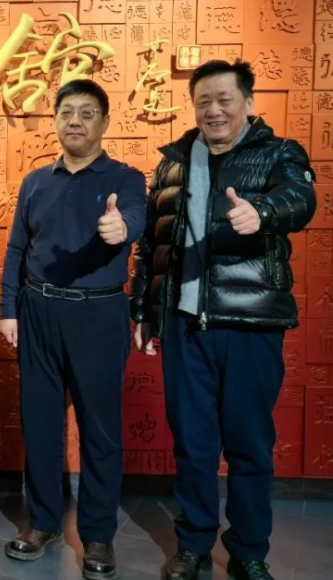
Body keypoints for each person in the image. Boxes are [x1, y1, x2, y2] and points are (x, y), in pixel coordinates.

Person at [131, 60, 315, 580]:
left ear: (248, 103)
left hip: (250, 325)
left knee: (249, 444)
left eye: (224, 100)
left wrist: (264, 213)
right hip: (185, 325)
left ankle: (249, 550)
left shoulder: (279, 153)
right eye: (203, 102)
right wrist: (144, 311)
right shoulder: (173, 164)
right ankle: (193, 545)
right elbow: (152, 245)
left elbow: (301, 199)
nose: (213, 111)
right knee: (192, 443)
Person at [0, 79, 147, 580]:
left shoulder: (126, 178)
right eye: (66, 112)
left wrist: (121, 228)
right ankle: (43, 523)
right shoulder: (36, 182)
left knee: (100, 430)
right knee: (40, 424)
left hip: (99, 315)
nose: (75, 121)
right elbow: (17, 249)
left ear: (105, 121)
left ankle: (99, 535)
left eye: (87, 112)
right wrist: (9, 309)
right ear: (56, 120)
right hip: (38, 310)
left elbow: (135, 216)